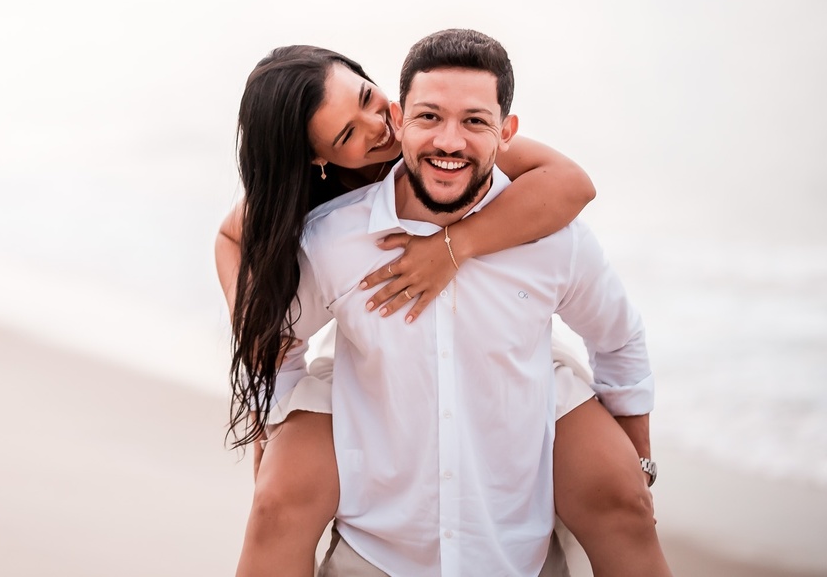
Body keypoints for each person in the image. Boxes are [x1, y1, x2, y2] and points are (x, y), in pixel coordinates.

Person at [216, 40, 670, 576]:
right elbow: (240, 254)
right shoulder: (322, 218)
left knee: (619, 496)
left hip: (507, 351)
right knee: (280, 494)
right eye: (347, 135)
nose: (376, 127)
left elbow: (572, 184)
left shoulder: (458, 135)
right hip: (378, 350)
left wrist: (453, 248)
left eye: (367, 98)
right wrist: (270, 409)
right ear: (318, 159)